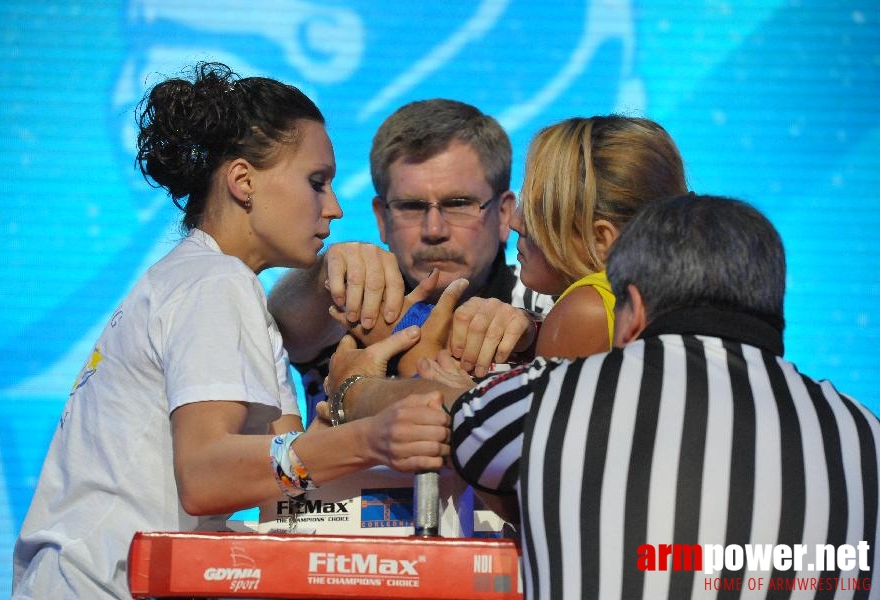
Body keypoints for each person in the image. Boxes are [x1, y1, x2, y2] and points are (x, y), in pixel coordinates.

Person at [12, 62, 450, 599]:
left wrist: (345, 395)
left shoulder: (213, 281)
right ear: (243, 182)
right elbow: (206, 476)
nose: (334, 208)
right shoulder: (213, 283)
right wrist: (370, 436)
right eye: (317, 182)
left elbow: (284, 477)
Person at [324, 193, 880, 600]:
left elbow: (437, 418)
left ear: (632, 310)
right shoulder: (865, 435)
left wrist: (354, 384)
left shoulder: (549, 400)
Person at [267, 98, 555, 421]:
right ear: (381, 219)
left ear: (504, 215)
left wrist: (533, 333)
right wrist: (326, 273)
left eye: (458, 203)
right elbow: (281, 325)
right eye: (412, 207)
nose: (434, 230)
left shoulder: (552, 302)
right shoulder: (349, 303)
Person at [512, 115, 687, 358]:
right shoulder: (677, 292)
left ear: (601, 240)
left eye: (535, 211)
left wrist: (456, 388)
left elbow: (545, 398)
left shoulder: (588, 309)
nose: (514, 222)